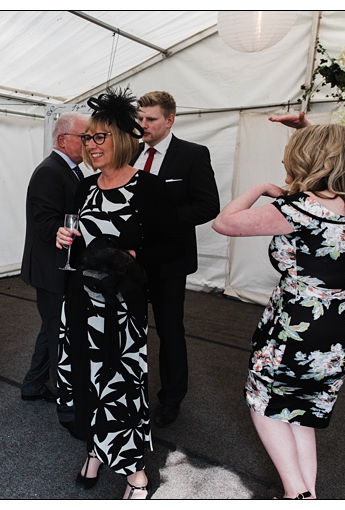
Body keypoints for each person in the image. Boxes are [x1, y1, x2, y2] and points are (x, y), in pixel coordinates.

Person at [212, 123, 345, 500]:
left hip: (299, 326)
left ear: (308, 158)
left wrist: (261, 188)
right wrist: (314, 132)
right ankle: (307, 494)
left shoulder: (302, 209)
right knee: (302, 409)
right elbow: (338, 148)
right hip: (344, 327)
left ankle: (296, 495)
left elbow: (224, 222)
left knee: (265, 403)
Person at [55, 89, 176, 499]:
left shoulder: (150, 189)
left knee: (121, 385)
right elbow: (75, 242)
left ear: (123, 138)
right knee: (86, 381)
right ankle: (94, 449)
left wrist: (132, 254)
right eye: (87, 139)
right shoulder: (83, 188)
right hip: (80, 303)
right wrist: (62, 237)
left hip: (122, 310)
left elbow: (172, 248)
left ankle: (136, 472)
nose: (90, 145)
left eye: (99, 137)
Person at [134, 91, 220, 428]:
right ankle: (131, 391)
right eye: (140, 118)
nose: (143, 125)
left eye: (150, 119)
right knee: (131, 329)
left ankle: (171, 399)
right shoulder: (131, 152)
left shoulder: (193, 155)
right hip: (132, 260)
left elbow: (207, 206)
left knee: (170, 330)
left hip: (170, 262)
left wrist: (164, 219)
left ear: (169, 120)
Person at [19, 111, 88, 404]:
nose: (89, 143)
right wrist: (62, 229)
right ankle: (67, 397)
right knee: (57, 330)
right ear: (63, 139)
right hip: (51, 268)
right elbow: (44, 221)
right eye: (84, 137)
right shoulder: (50, 171)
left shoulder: (70, 170)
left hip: (58, 266)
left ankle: (34, 383)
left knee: (52, 328)